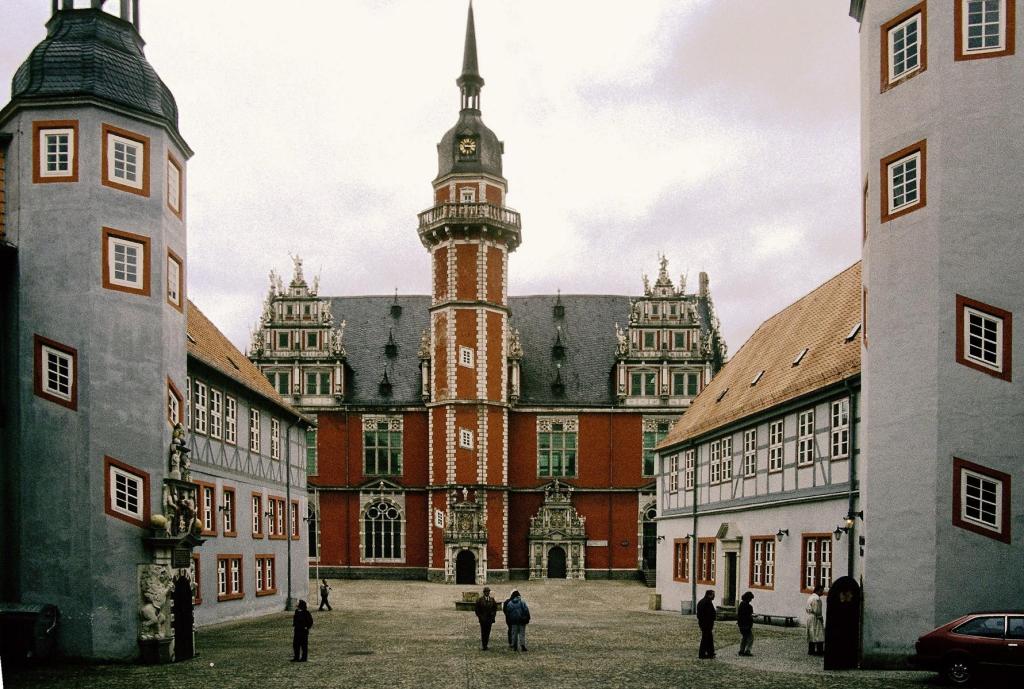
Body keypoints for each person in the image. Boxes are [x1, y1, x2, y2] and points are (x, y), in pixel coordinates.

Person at [474, 586, 498, 650]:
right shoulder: (479, 600)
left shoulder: (492, 600)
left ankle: (486, 644)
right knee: (483, 632)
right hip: (483, 619)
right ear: (484, 592)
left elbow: (495, 608)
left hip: (489, 619)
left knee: (488, 632)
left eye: (488, 592)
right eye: (486, 592)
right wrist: (480, 617)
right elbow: (477, 610)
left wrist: (493, 615)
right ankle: (484, 645)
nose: (487, 593)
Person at [696, 590, 716, 659]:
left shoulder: (702, 601)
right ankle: (702, 654)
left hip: (703, 623)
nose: (714, 596)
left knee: (709, 638)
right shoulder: (707, 603)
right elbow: (709, 614)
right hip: (706, 623)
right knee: (705, 638)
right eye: (713, 595)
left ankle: (710, 652)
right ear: (709, 595)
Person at [806, 584, 825, 656]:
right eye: (821, 591)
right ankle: (819, 651)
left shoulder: (810, 597)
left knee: (811, 633)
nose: (822, 592)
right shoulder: (816, 599)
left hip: (810, 616)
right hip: (815, 617)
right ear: (818, 590)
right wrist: (820, 617)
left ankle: (811, 650)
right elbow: (817, 610)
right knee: (819, 633)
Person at [737, 591, 755, 656]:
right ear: (748, 598)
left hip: (741, 624)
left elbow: (740, 615)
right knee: (750, 638)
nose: (751, 600)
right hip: (746, 624)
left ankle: (741, 651)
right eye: (750, 598)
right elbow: (748, 615)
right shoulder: (748, 606)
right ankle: (747, 651)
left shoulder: (741, 604)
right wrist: (752, 616)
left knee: (744, 637)